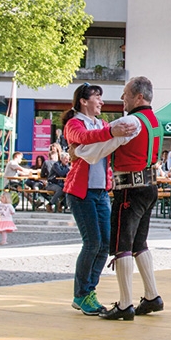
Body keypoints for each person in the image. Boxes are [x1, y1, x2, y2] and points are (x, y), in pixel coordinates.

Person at [74, 76, 165, 321]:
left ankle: (125, 305)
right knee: (140, 243)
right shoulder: (155, 121)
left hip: (130, 189)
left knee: (122, 245)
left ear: (138, 97)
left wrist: (80, 151)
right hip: (150, 185)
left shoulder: (130, 121)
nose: (121, 98)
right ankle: (151, 295)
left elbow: (103, 147)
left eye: (125, 93)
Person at [63, 83, 136, 317]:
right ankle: (81, 293)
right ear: (84, 101)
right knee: (92, 243)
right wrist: (112, 133)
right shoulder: (74, 123)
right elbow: (83, 138)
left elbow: (107, 145)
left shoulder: (102, 124)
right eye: (97, 97)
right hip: (81, 192)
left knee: (104, 244)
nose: (102, 102)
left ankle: (88, 293)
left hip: (101, 191)